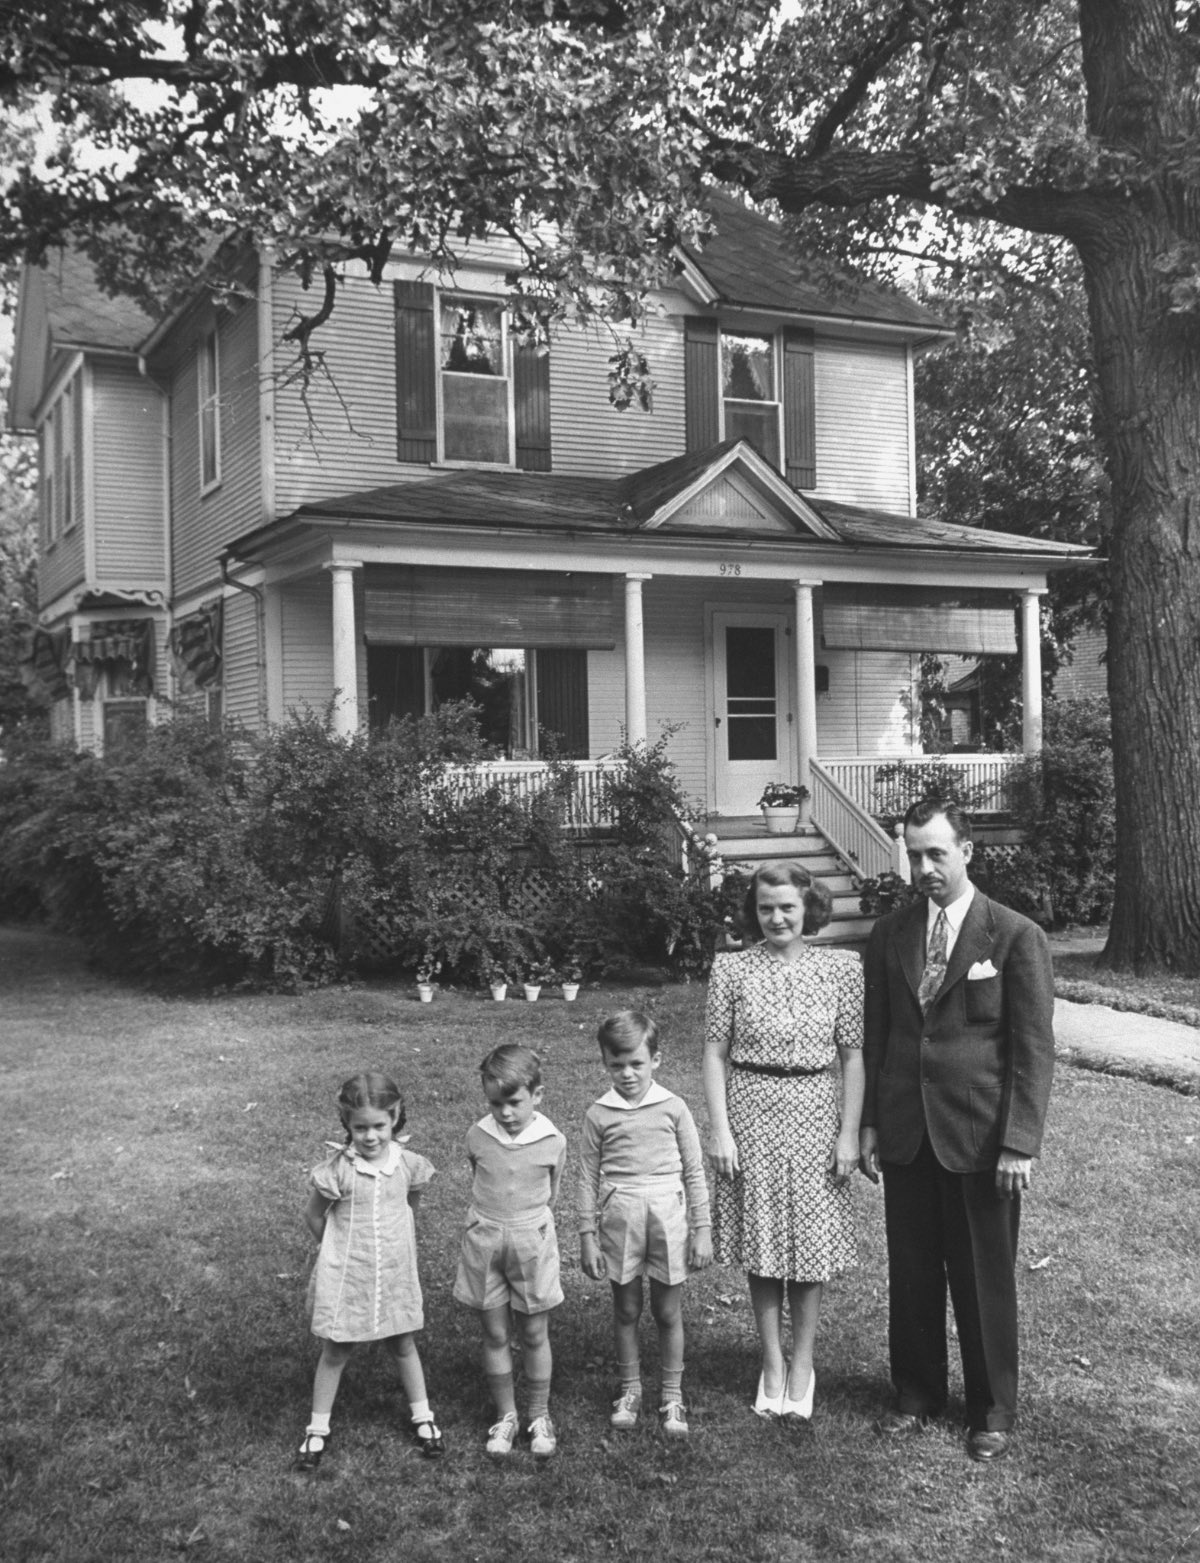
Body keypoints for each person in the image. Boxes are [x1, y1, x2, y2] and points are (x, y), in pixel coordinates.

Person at [861, 797, 1055, 1463]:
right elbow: (879, 1034)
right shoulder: (890, 933)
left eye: (936, 854)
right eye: (914, 854)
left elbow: (1033, 1050)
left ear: (967, 851)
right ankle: (917, 1393)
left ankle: (990, 1409)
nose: (924, 868)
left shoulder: (1013, 935)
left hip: (979, 1137)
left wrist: (1019, 1141)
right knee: (912, 1270)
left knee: (982, 1276)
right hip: (907, 1130)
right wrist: (870, 1123)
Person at [703, 861, 864, 1422]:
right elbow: (714, 1054)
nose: (777, 918)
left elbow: (852, 1057)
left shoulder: (841, 968)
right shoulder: (731, 968)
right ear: (754, 912)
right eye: (766, 908)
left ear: (808, 907)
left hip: (815, 1112)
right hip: (751, 1111)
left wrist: (848, 1133)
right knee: (764, 1240)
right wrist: (720, 1130)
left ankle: (803, 1366)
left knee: (810, 1243)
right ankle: (772, 1363)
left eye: (787, 907)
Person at [296, 1071, 445, 1470]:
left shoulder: (408, 1164)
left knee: (403, 1341)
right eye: (360, 1127)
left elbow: (409, 1207)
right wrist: (337, 1250)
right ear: (347, 1123)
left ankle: (424, 1417)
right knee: (337, 1347)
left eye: (379, 1125)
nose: (370, 1136)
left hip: (394, 1270)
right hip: (350, 1273)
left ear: (394, 1117)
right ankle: (317, 1428)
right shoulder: (339, 1170)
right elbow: (313, 1215)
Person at [578, 1010, 713, 1439]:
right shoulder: (599, 1114)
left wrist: (702, 1228)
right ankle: (630, 1389)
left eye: (636, 1063)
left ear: (656, 1059)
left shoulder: (674, 1108)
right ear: (605, 1063)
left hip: (667, 1219)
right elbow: (586, 1177)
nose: (627, 1074)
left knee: (667, 1311)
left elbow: (694, 1171)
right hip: (621, 1219)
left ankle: (672, 1394)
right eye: (616, 1065)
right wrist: (586, 1235)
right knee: (627, 1309)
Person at [453, 1043, 567, 1459]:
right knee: (496, 1333)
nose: (505, 1113)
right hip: (485, 1241)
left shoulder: (552, 1140)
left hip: (531, 1242)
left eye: (515, 1102)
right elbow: (479, 1175)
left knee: (534, 1332)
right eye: (495, 1103)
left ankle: (538, 1413)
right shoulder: (478, 1136)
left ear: (537, 1095)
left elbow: (552, 1190)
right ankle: (506, 1415)